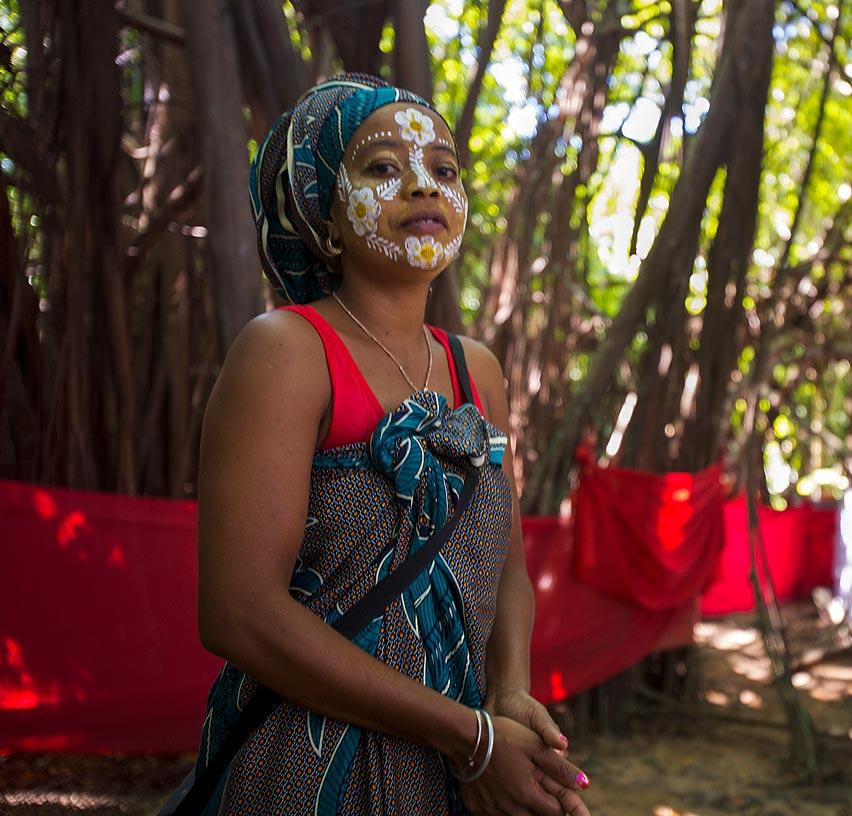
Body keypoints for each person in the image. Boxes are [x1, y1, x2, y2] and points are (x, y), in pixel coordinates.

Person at [178, 73, 591, 815]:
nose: (423, 187)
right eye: (381, 168)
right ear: (328, 222)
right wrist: (473, 737)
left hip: (457, 770)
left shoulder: (479, 370)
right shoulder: (285, 352)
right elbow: (237, 611)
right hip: (308, 770)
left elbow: (509, 574)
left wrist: (509, 698)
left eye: (444, 170)